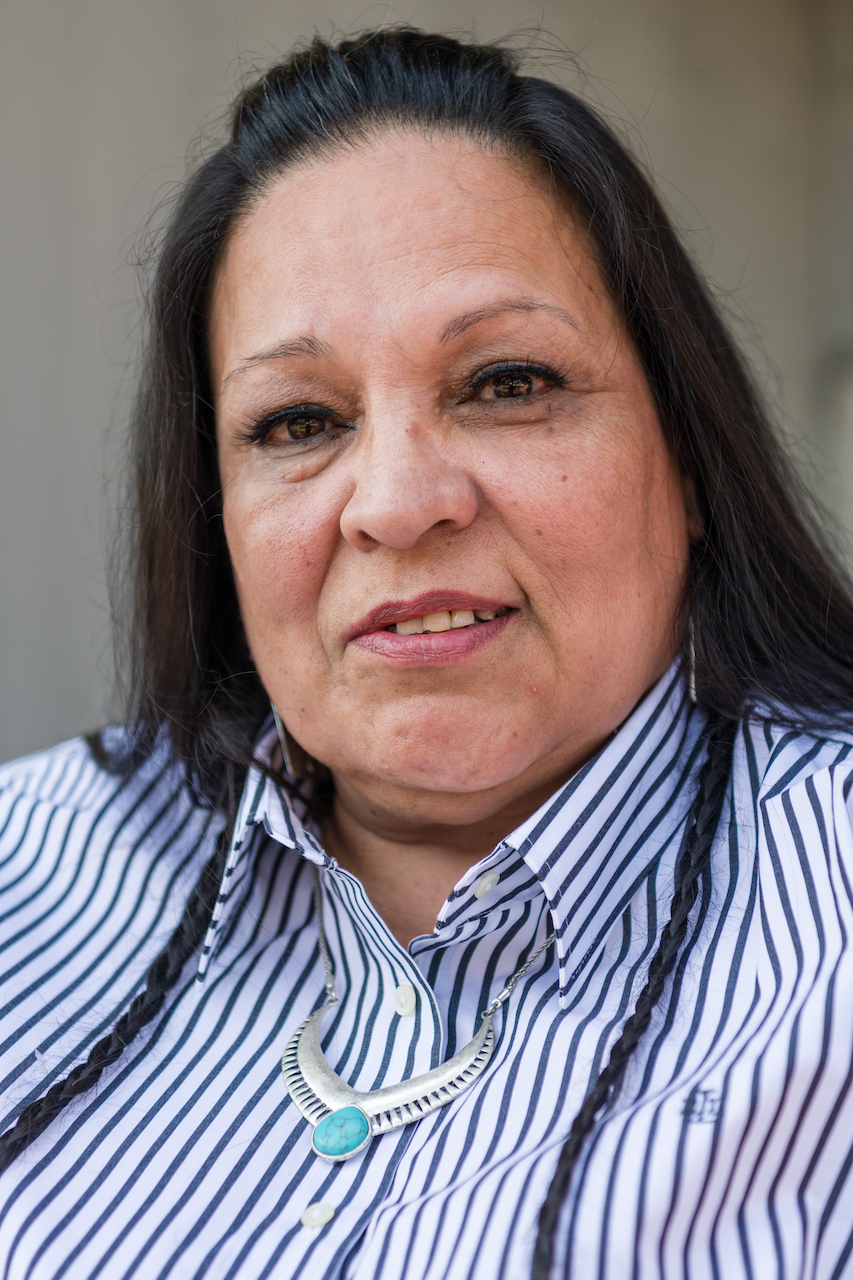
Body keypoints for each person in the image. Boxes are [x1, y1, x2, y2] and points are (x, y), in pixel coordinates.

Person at [2, 27, 853, 1280]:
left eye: (506, 382)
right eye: (297, 421)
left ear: (690, 460)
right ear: (215, 517)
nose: (397, 501)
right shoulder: (25, 873)